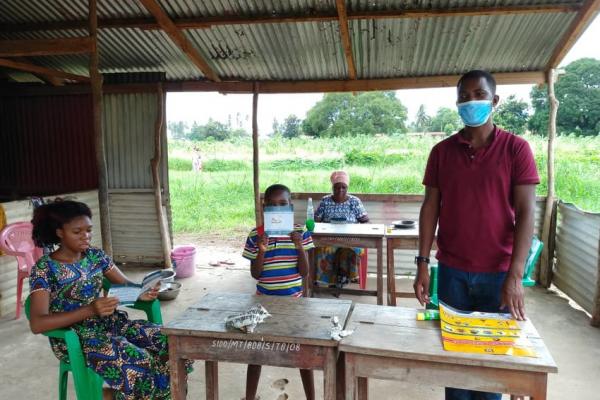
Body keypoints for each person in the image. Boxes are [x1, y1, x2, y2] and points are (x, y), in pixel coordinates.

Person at [413, 70, 539, 400]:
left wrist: (515, 276)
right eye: (464, 97)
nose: (471, 102)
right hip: (453, 273)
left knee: (490, 370)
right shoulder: (442, 152)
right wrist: (422, 264)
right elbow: (430, 208)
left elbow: (527, 214)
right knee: (456, 365)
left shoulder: (516, 149)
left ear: (494, 100)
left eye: (478, 94)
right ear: (457, 103)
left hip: (497, 276)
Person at [28, 200, 191, 400]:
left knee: (177, 343)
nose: (86, 236)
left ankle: (135, 393)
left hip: (111, 323)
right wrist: (90, 310)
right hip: (77, 338)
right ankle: (115, 396)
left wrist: (141, 293)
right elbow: (38, 323)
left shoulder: (96, 256)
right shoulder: (44, 269)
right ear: (59, 232)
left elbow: (124, 286)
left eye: (88, 230)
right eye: (77, 232)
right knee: (138, 364)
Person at [242, 184, 315, 400]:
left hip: (294, 302)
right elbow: (256, 274)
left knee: (303, 353)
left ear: (291, 206)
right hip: (264, 301)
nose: (277, 208)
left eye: (282, 204)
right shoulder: (257, 234)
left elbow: (305, 272)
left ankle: (311, 396)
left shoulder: (301, 232)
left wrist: (299, 246)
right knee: (256, 352)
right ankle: (249, 396)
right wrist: (261, 251)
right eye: (271, 205)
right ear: (265, 209)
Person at [314, 171, 370, 288]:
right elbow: (315, 221)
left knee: (348, 251)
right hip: (328, 238)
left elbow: (366, 221)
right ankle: (330, 281)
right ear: (332, 187)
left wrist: (358, 230)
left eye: (343, 187)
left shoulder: (354, 201)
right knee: (324, 249)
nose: (340, 190)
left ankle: (342, 279)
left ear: (347, 188)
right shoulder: (325, 201)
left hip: (351, 238)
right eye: (337, 187)